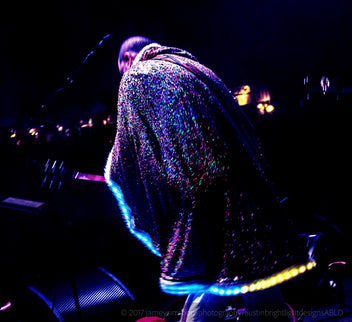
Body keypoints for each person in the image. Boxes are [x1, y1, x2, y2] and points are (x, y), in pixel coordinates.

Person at [104, 36, 315, 320]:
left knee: (206, 282)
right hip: (249, 194)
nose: (122, 77)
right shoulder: (197, 68)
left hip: (206, 198)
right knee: (260, 277)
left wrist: (122, 176)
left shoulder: (138, 76)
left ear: (127, 60)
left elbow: (135, 151)